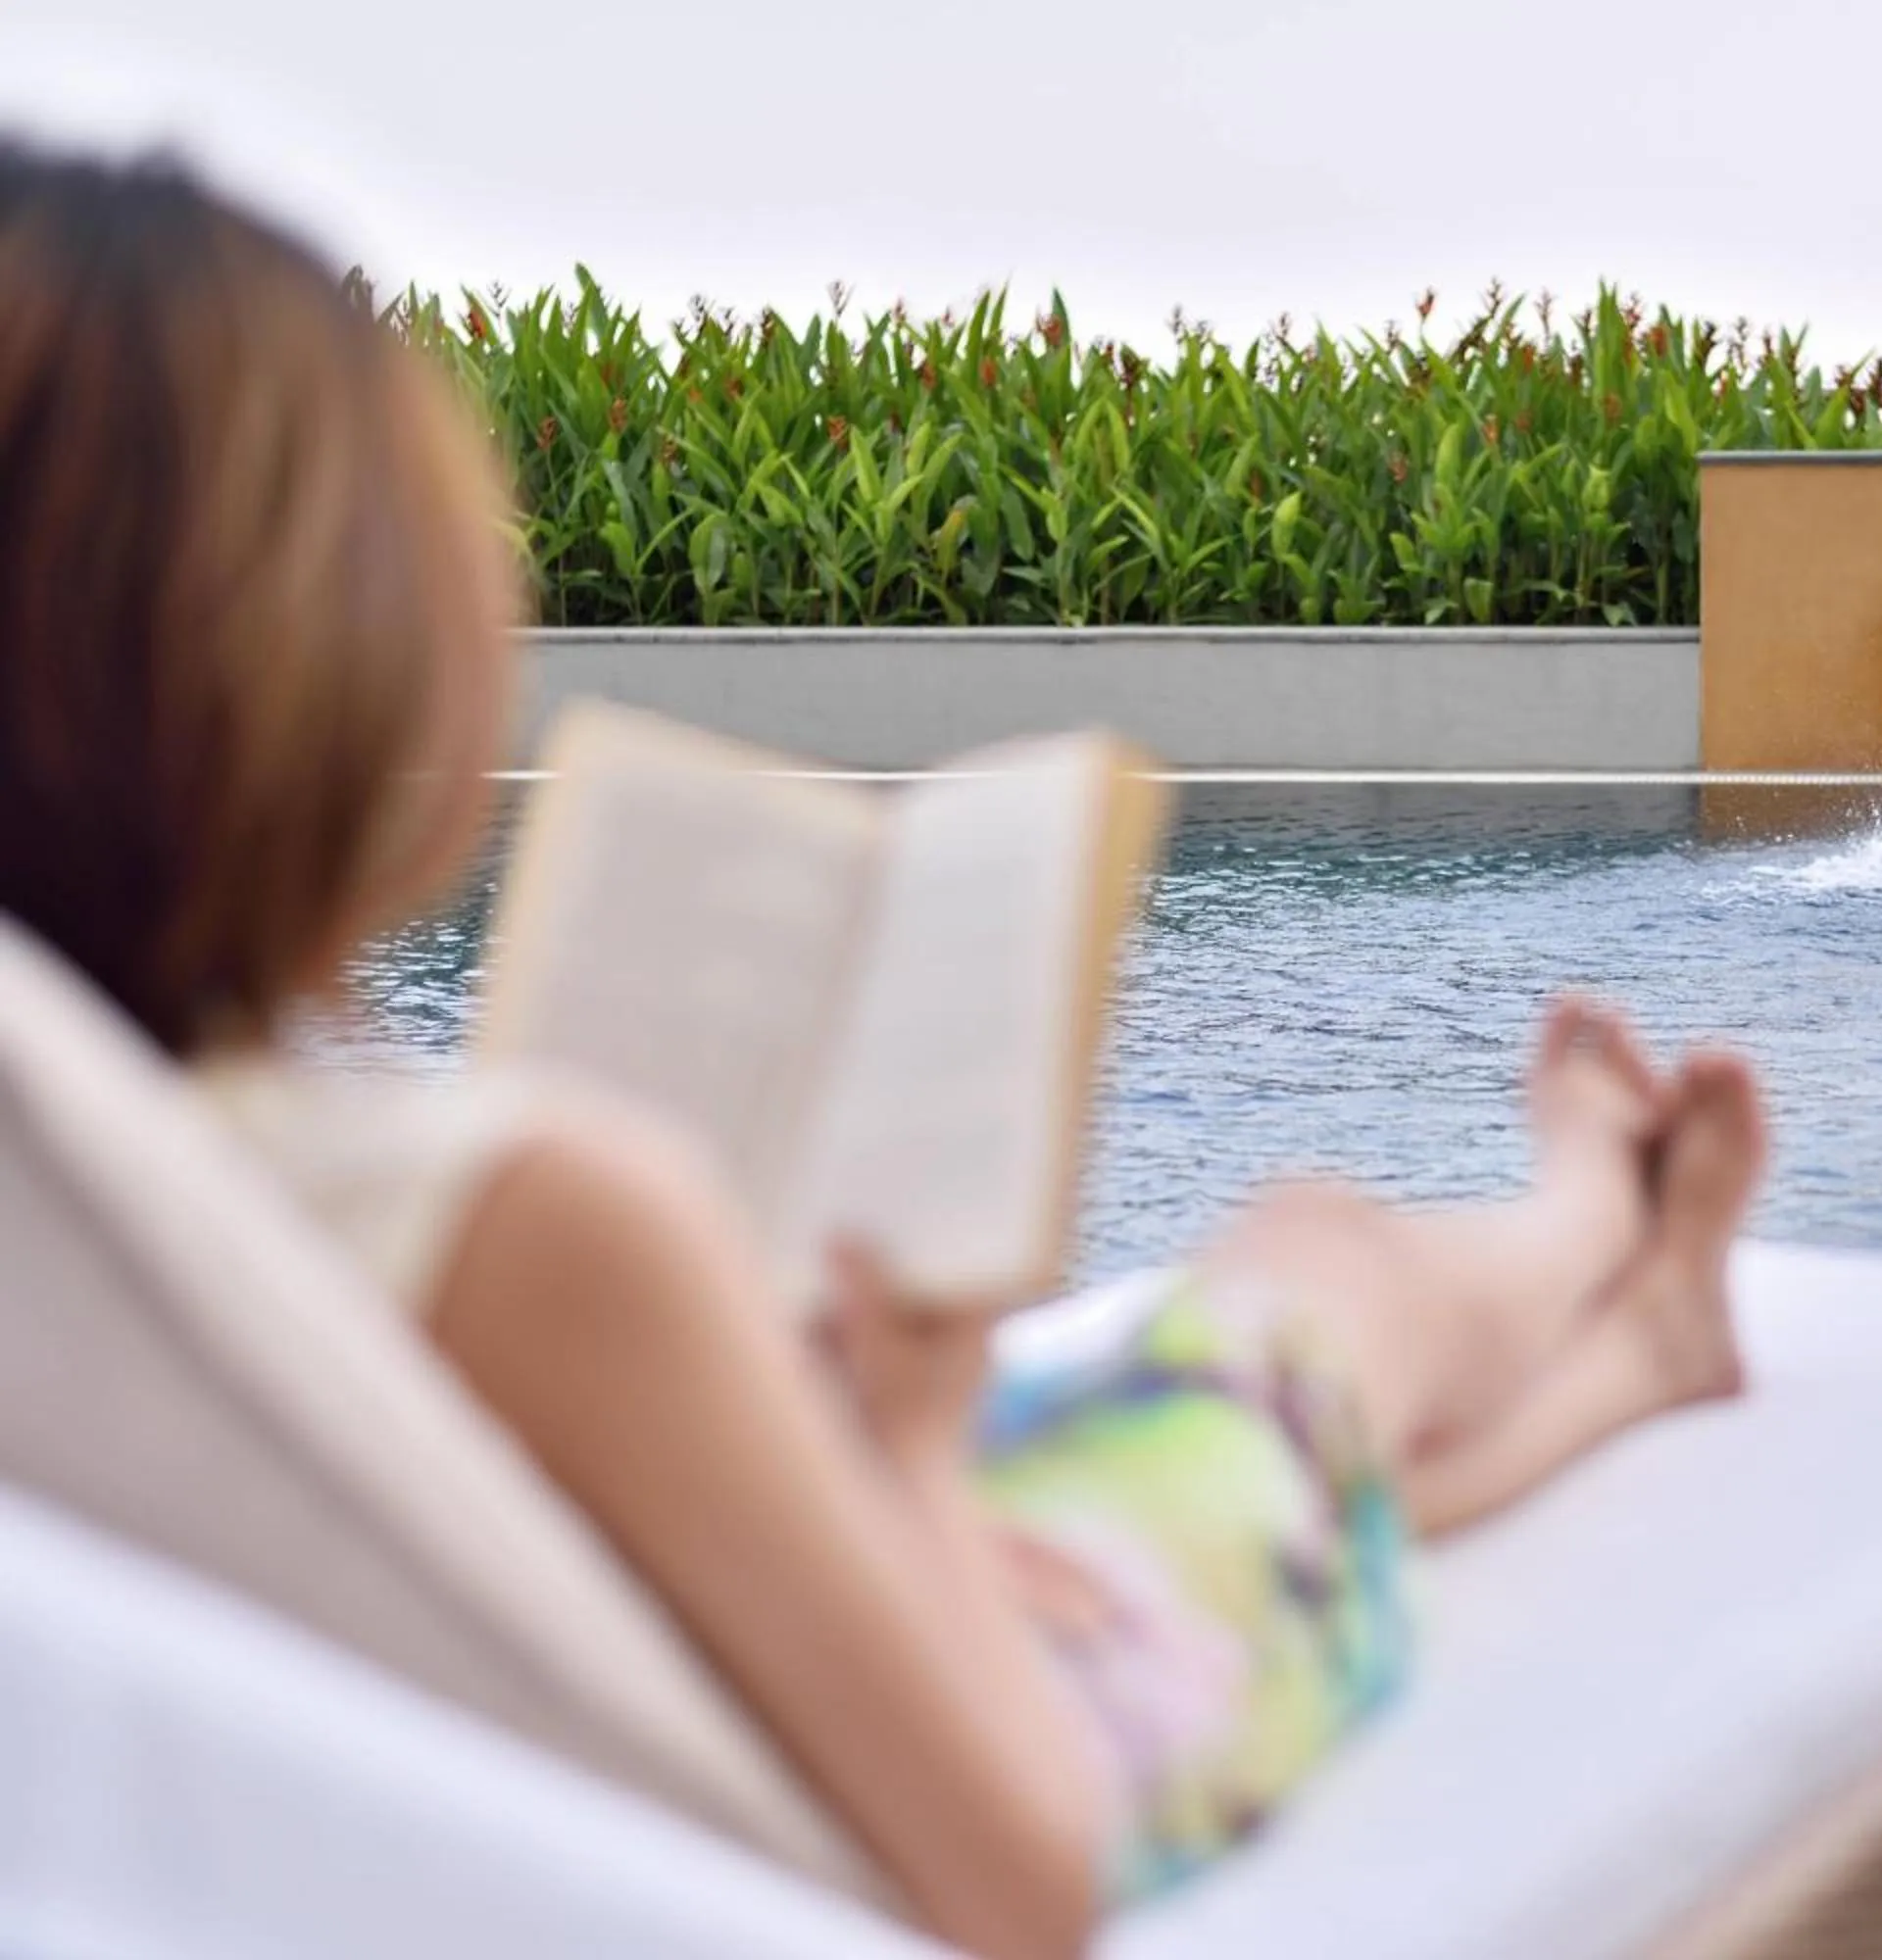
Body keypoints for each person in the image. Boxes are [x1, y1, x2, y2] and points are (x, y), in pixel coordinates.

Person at [0, 144, 1768, 1959]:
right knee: (1306, 1275)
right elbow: (1019, 1875)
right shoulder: (535, 1212)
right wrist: (911, 1447)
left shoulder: (85, 1169)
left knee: (1205, 1432)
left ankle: (1636, 1350)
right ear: (321, 656)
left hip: (650, 1674)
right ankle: (1590, 1226)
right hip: (1049, 1707)